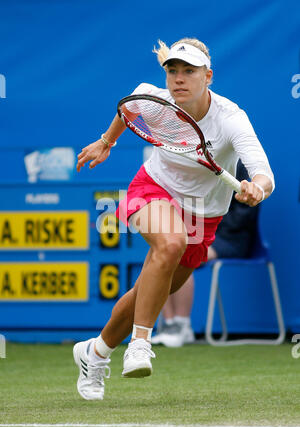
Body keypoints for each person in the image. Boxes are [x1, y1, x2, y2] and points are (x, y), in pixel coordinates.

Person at [74, 37, 274, 400]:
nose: (178, 79)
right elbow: (127, 111)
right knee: (171, 242)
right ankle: (140, 343)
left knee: (144, 296)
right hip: (154, 188)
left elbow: (263, 172)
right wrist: (107, 141)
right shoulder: (152, 99)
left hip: (205, 213)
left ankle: (95, 353)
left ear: (208, 76)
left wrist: (256, 188)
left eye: (189, 72)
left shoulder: (232, 119)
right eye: (173, 71)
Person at [152, 160, 260, 347]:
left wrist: (209, 227)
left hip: (230, 239)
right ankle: (169, 325)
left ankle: (182, 325)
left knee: (184, 256)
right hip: (201, 233)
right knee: (165, 254)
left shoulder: (239, 166)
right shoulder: (199, 163)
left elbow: (245, 212)